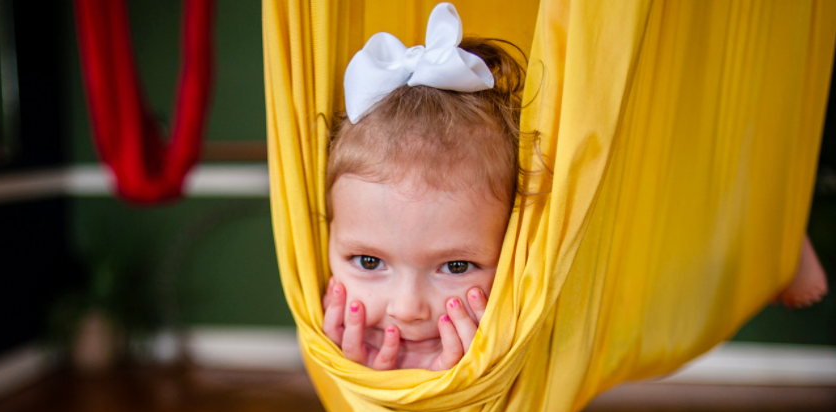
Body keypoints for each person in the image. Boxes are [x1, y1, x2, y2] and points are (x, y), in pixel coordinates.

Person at [322, 3, 828, 372]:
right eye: (368, 262)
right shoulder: (325, 323)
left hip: (616, 262)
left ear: (518, 238)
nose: (408, 308)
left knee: (672, 254)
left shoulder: (549, 261)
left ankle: (773, 219)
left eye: (456, 266)